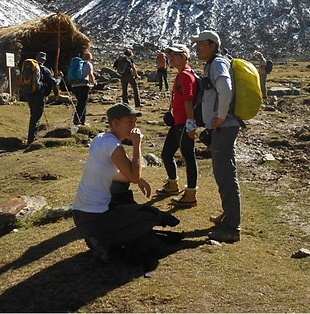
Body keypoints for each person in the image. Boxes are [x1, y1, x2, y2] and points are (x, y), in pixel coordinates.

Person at [72, 102, 181, 263]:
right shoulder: (114, 145)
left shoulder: (100, 139)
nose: (134, 126)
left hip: (81, 215)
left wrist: (138, 180)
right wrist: (137, 144)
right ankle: (104, 241)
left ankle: (103, 238)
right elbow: (134, 176)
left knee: (124, 191)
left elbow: (114, 173)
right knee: (149, 216)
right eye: (130, 121)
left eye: (135, 122)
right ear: (115, 123)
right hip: (95, 217)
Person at [192, 30, 242, 243]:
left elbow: (226, 89)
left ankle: (232, 227)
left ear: (212, 45)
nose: (197, 48)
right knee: (222, 172)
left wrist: (220, 117)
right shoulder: (213, 63)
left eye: (201, 44)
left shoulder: (218, 63)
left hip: (225, 126)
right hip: (222, 127)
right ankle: (228, 216)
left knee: (225, 175)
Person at [158, 44, 198, 207]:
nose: (170, 58)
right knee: (167, 154)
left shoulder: (185, 76)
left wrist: (190, 124)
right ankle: (173, 184)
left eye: (174, 55)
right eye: (170, 55)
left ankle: (190, 194)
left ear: (184, 56)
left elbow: (188, 100)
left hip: (183, 123)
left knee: (189, 157)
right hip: (178, 122)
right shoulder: (184, 74)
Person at [21, 52, 57, 147]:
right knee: (36, 117)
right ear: (44, 60)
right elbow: (53, 82)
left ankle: (31, 136)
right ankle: (32, 140)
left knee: (33, 115)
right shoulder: (44, 69)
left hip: (29, 94)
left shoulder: (30, 67)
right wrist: (60, 78)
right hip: (39, 95)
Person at [67, 49, 97, 128]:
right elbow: (90, 74)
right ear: (90, 57)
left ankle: (76, 119)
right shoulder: (88, 64)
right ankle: (82, 121)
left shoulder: (78, 63)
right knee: (83, 103)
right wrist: (94, 82)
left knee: (79, 102)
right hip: (83, 85)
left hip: (74, 85)